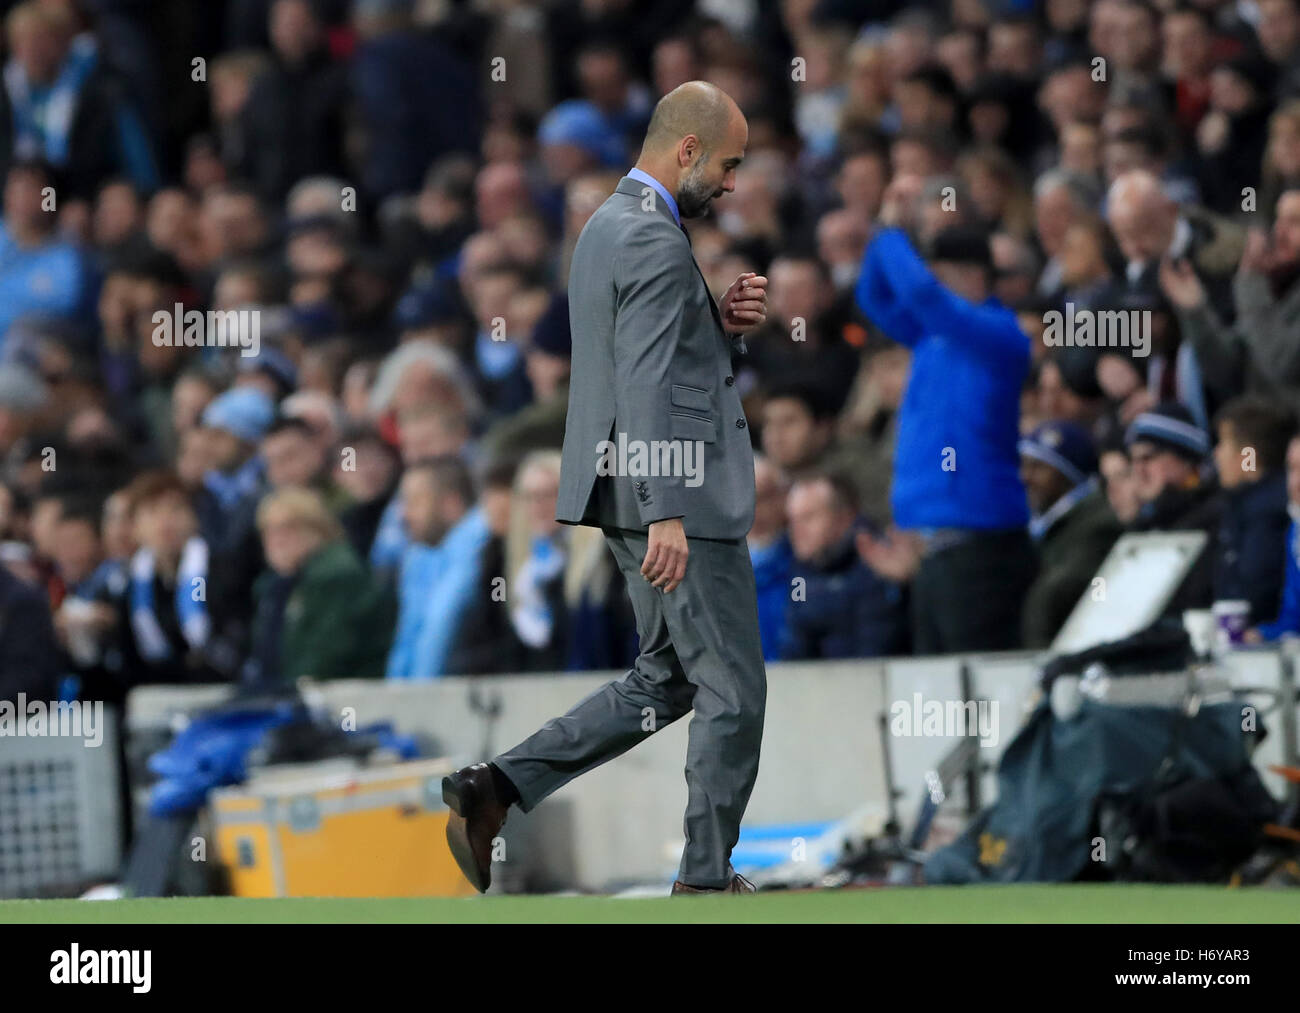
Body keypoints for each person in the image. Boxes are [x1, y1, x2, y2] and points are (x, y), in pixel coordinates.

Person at [442, 81, 770, 896]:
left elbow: (638, 351)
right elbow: (648, 379)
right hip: (674, 496)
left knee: (666, 680)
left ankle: (499, 786)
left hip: (621, 487)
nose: (731, 184)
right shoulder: (655, 240)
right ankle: (703, 882)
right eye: (727, 165)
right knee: (734, 689)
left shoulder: (606, 226)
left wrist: (714, 321)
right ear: (686, 149)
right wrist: (668, 510)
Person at [854, 205, 1037, 653]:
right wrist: (883, 239)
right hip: (932, 552)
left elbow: (923, 296)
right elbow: (871, 296)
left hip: (982, 549)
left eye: (941, 273)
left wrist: (893, 230)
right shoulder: (928, 337)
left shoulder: (999, 335)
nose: (930, 284)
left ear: (974, 276)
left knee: (978, 697)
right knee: (937, 695)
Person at [244, 486, 393, 689]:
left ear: (317, 529)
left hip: (346, 702)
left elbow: (321, 662)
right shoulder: (275, 586)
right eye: (268, 531)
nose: (276, 540)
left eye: (288, 528)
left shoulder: (336, 575)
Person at [1017, 420, 1122, 648]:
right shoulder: (1046, 526)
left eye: (1039, 467)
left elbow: (1054, 594)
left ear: (1069, 473)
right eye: (1024, 466)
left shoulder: (1098, 524)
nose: (1025, 477)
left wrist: (1039, 660)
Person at [783, 472, 907, 660]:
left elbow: (877, 648)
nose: (797, 531)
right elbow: (795, 650)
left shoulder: (875, 564)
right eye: (792, 521)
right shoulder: (801, 572)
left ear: (844, 517)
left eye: (808, 518)